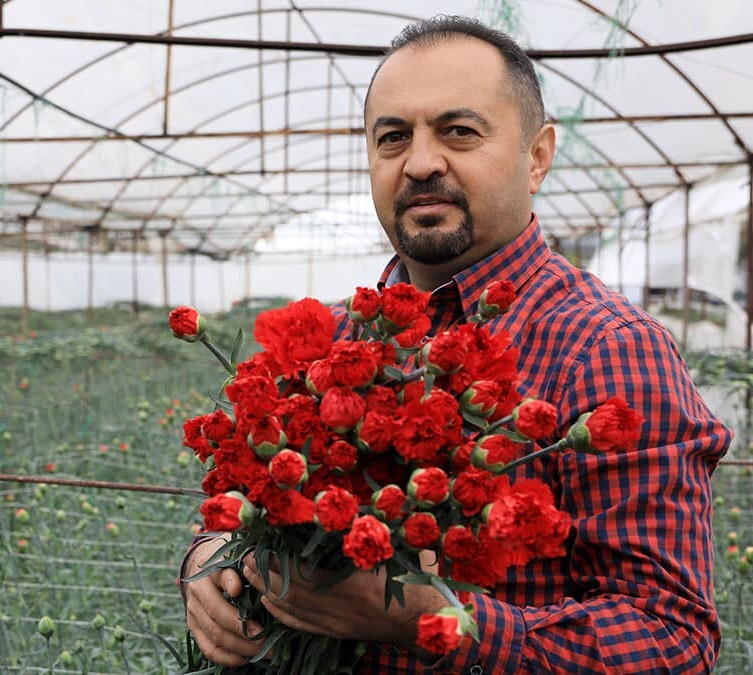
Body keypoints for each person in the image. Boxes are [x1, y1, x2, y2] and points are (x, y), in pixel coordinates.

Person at [180, 15, 731, 673]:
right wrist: (209, 563)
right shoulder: (328, 338)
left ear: (538, 155)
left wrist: (434, 622)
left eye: (459, 131)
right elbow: (238, 510)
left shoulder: (604, 347)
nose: (418, 162)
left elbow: (673, 641)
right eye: (392, 137)